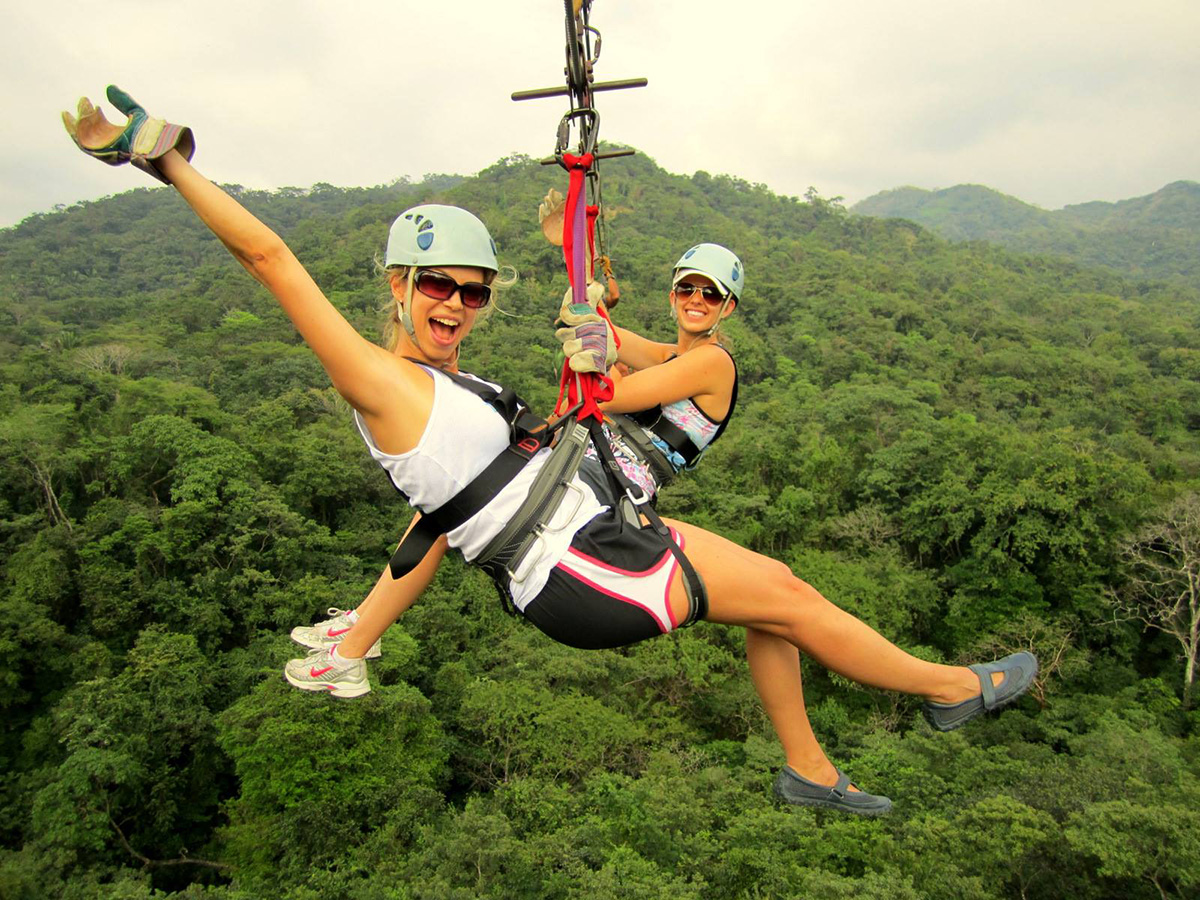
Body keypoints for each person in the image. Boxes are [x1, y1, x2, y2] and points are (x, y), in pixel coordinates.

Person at [63, 88, 1038, 817]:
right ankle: (955, 692)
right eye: (437, 286)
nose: (455, 306)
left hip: (596, 532)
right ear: (398, 283)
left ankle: (810, 770)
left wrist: (358, 635)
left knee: (774, 595)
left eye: (474, 292)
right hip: (584, 566)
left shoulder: (460, 393)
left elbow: (434, 527)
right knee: (785, 597)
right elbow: (272, 259)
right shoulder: (379, 380)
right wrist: (171, 162)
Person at [287, 240, 743, 683]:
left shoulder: (712, 363)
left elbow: (607, 393)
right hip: (575, 454)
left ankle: (354, 647)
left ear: (728, 306)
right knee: (445, 506)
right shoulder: (669, 356)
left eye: (710, 294)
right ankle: (361, 628)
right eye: (689, 289)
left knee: (453, 504)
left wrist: (602, 356)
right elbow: (603, 332)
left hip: (605, 478)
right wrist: (577, 259)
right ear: (674, 295)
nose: (697, 300)